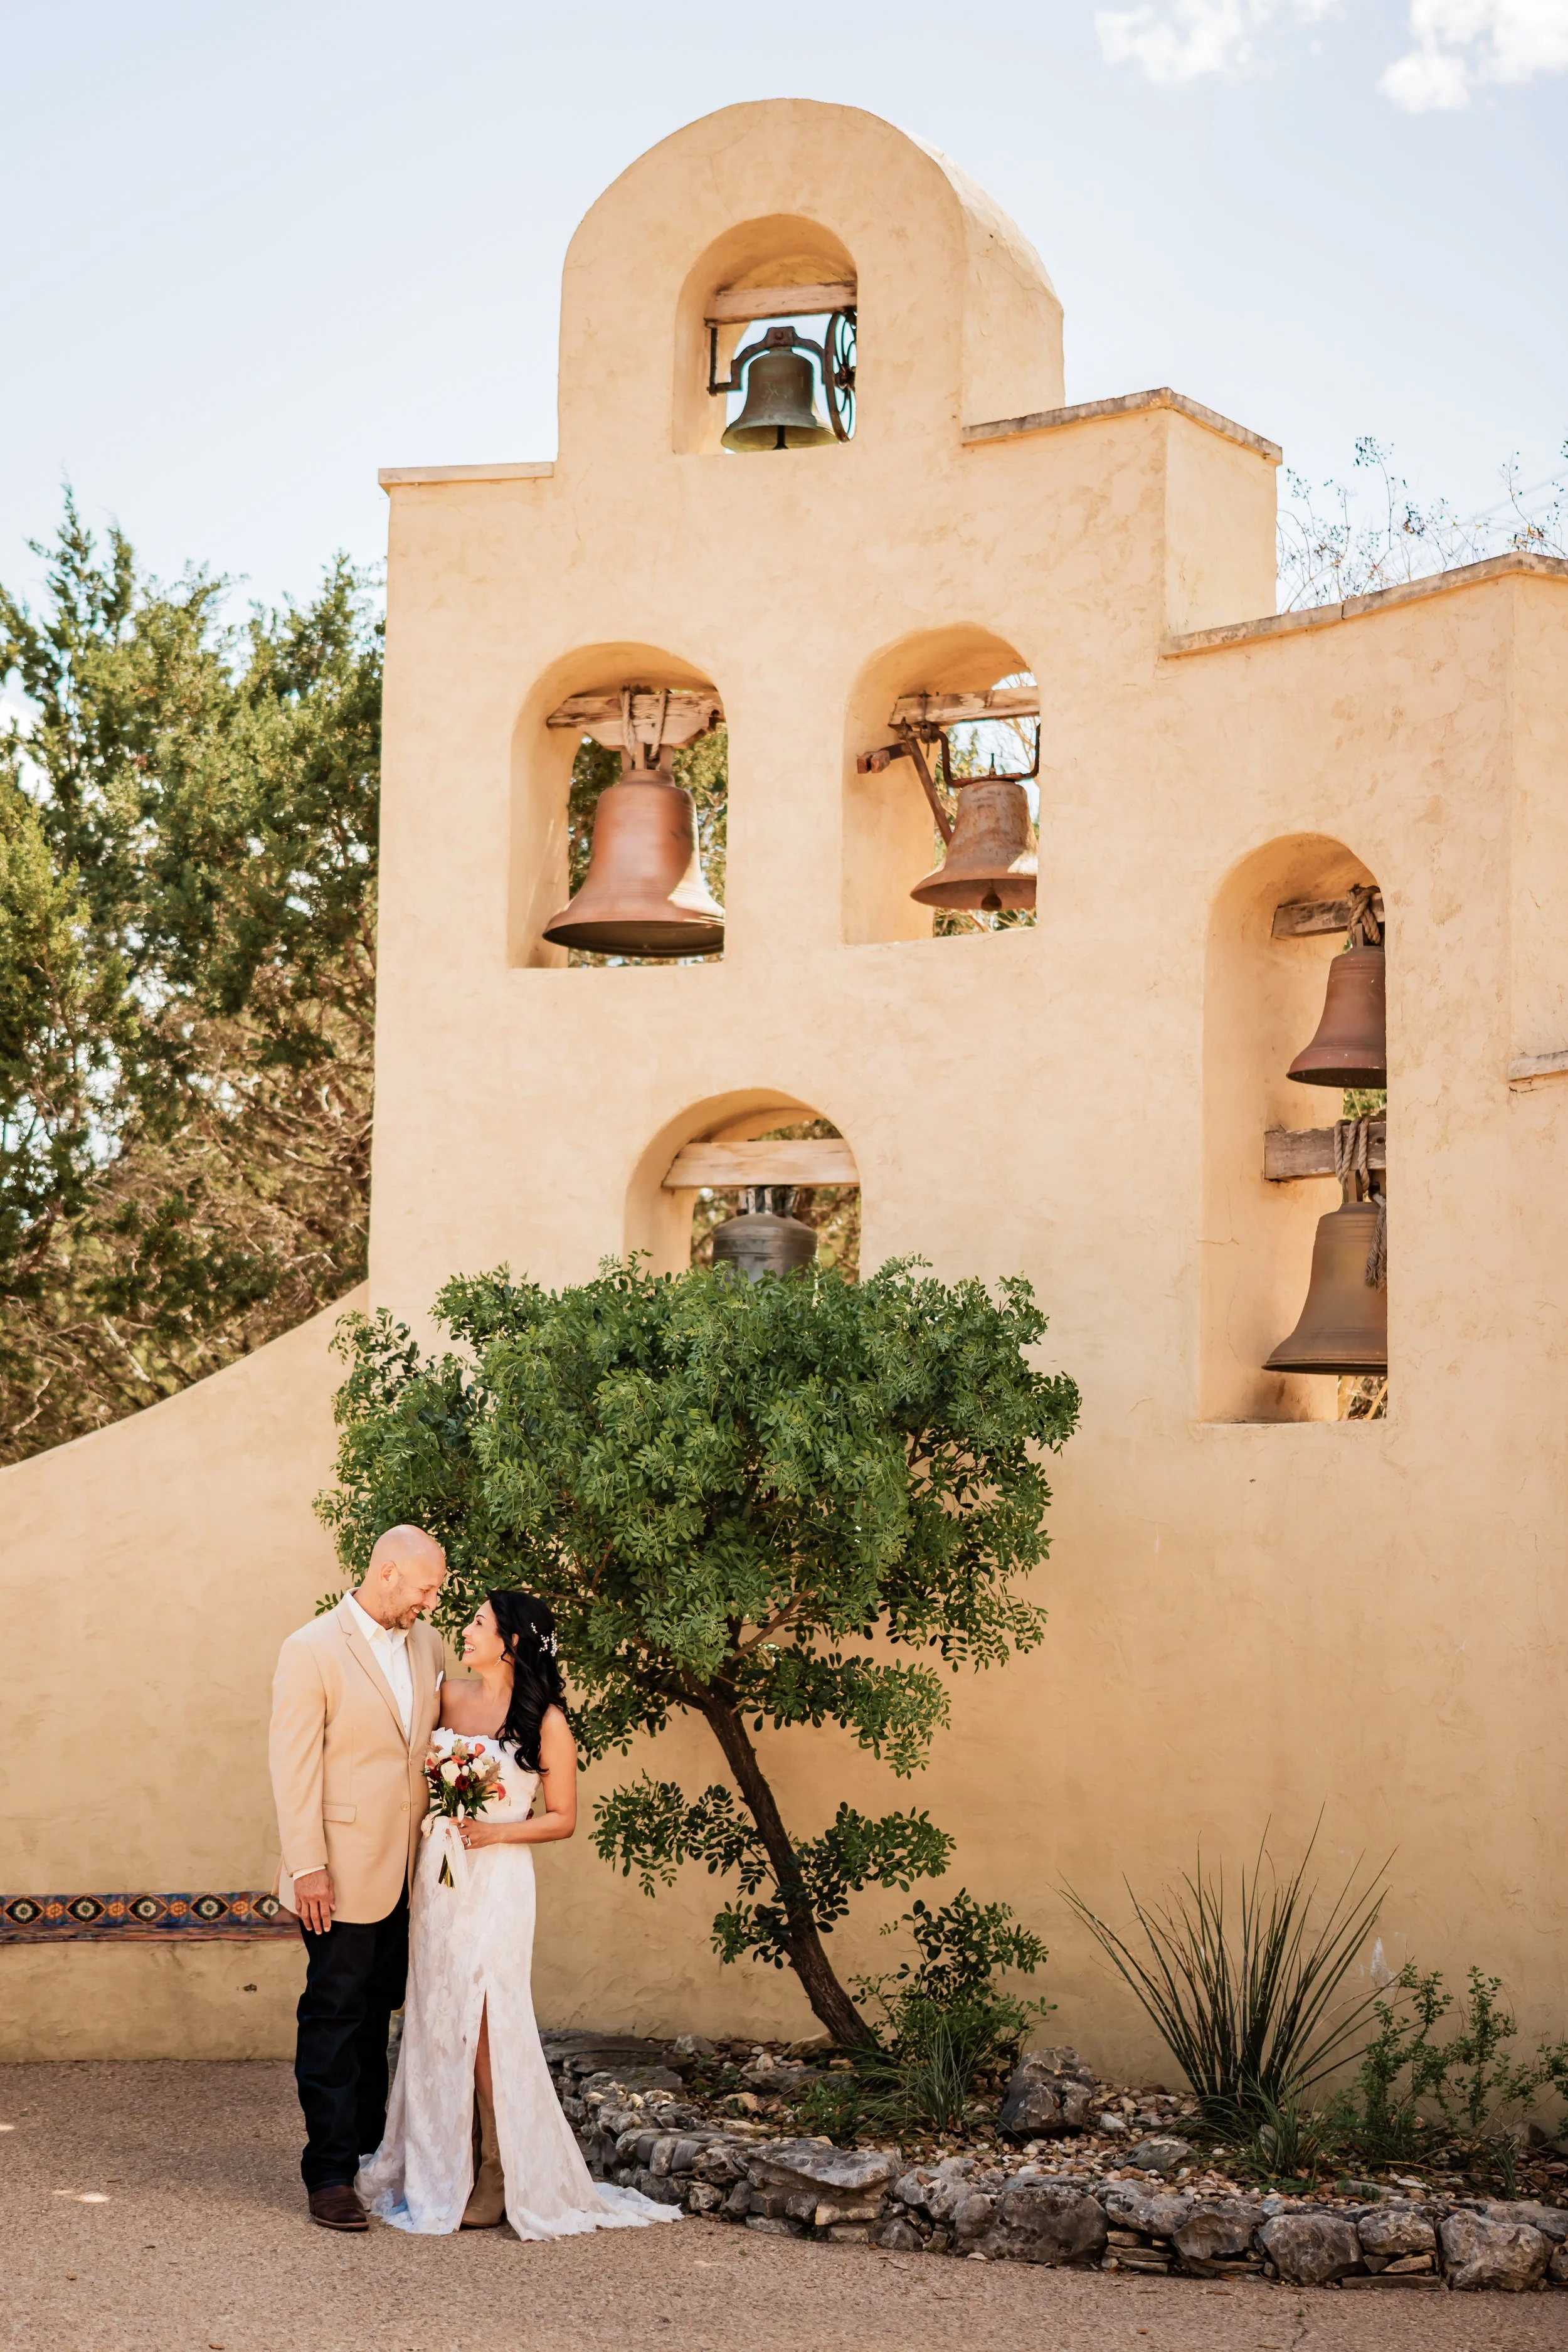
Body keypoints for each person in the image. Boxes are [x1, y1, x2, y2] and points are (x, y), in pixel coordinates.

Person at [357, 1590, 679, 2241]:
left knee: (485, 2018)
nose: (465, 1631)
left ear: (511, 1642)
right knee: (438, 2010)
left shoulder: (546, 1720)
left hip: (499, 1880)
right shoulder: (447, 1695)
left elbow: (562, 1819)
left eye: (478, 1623)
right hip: (441, 1876)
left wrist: (496, 1834)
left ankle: (500, 2168)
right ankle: (441, 2161)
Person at [268, 1524, 447, 2231]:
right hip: (338, 1873)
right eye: (426, 1586)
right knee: (336, 2017)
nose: (433, 1600)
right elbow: (293, 1767)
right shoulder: (310, 1649)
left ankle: (375, 2155)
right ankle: (331, 2175)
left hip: (412, 1871)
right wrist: (308, 1866)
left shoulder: (427, 1645)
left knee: (381, 2015)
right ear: (386, 1573)